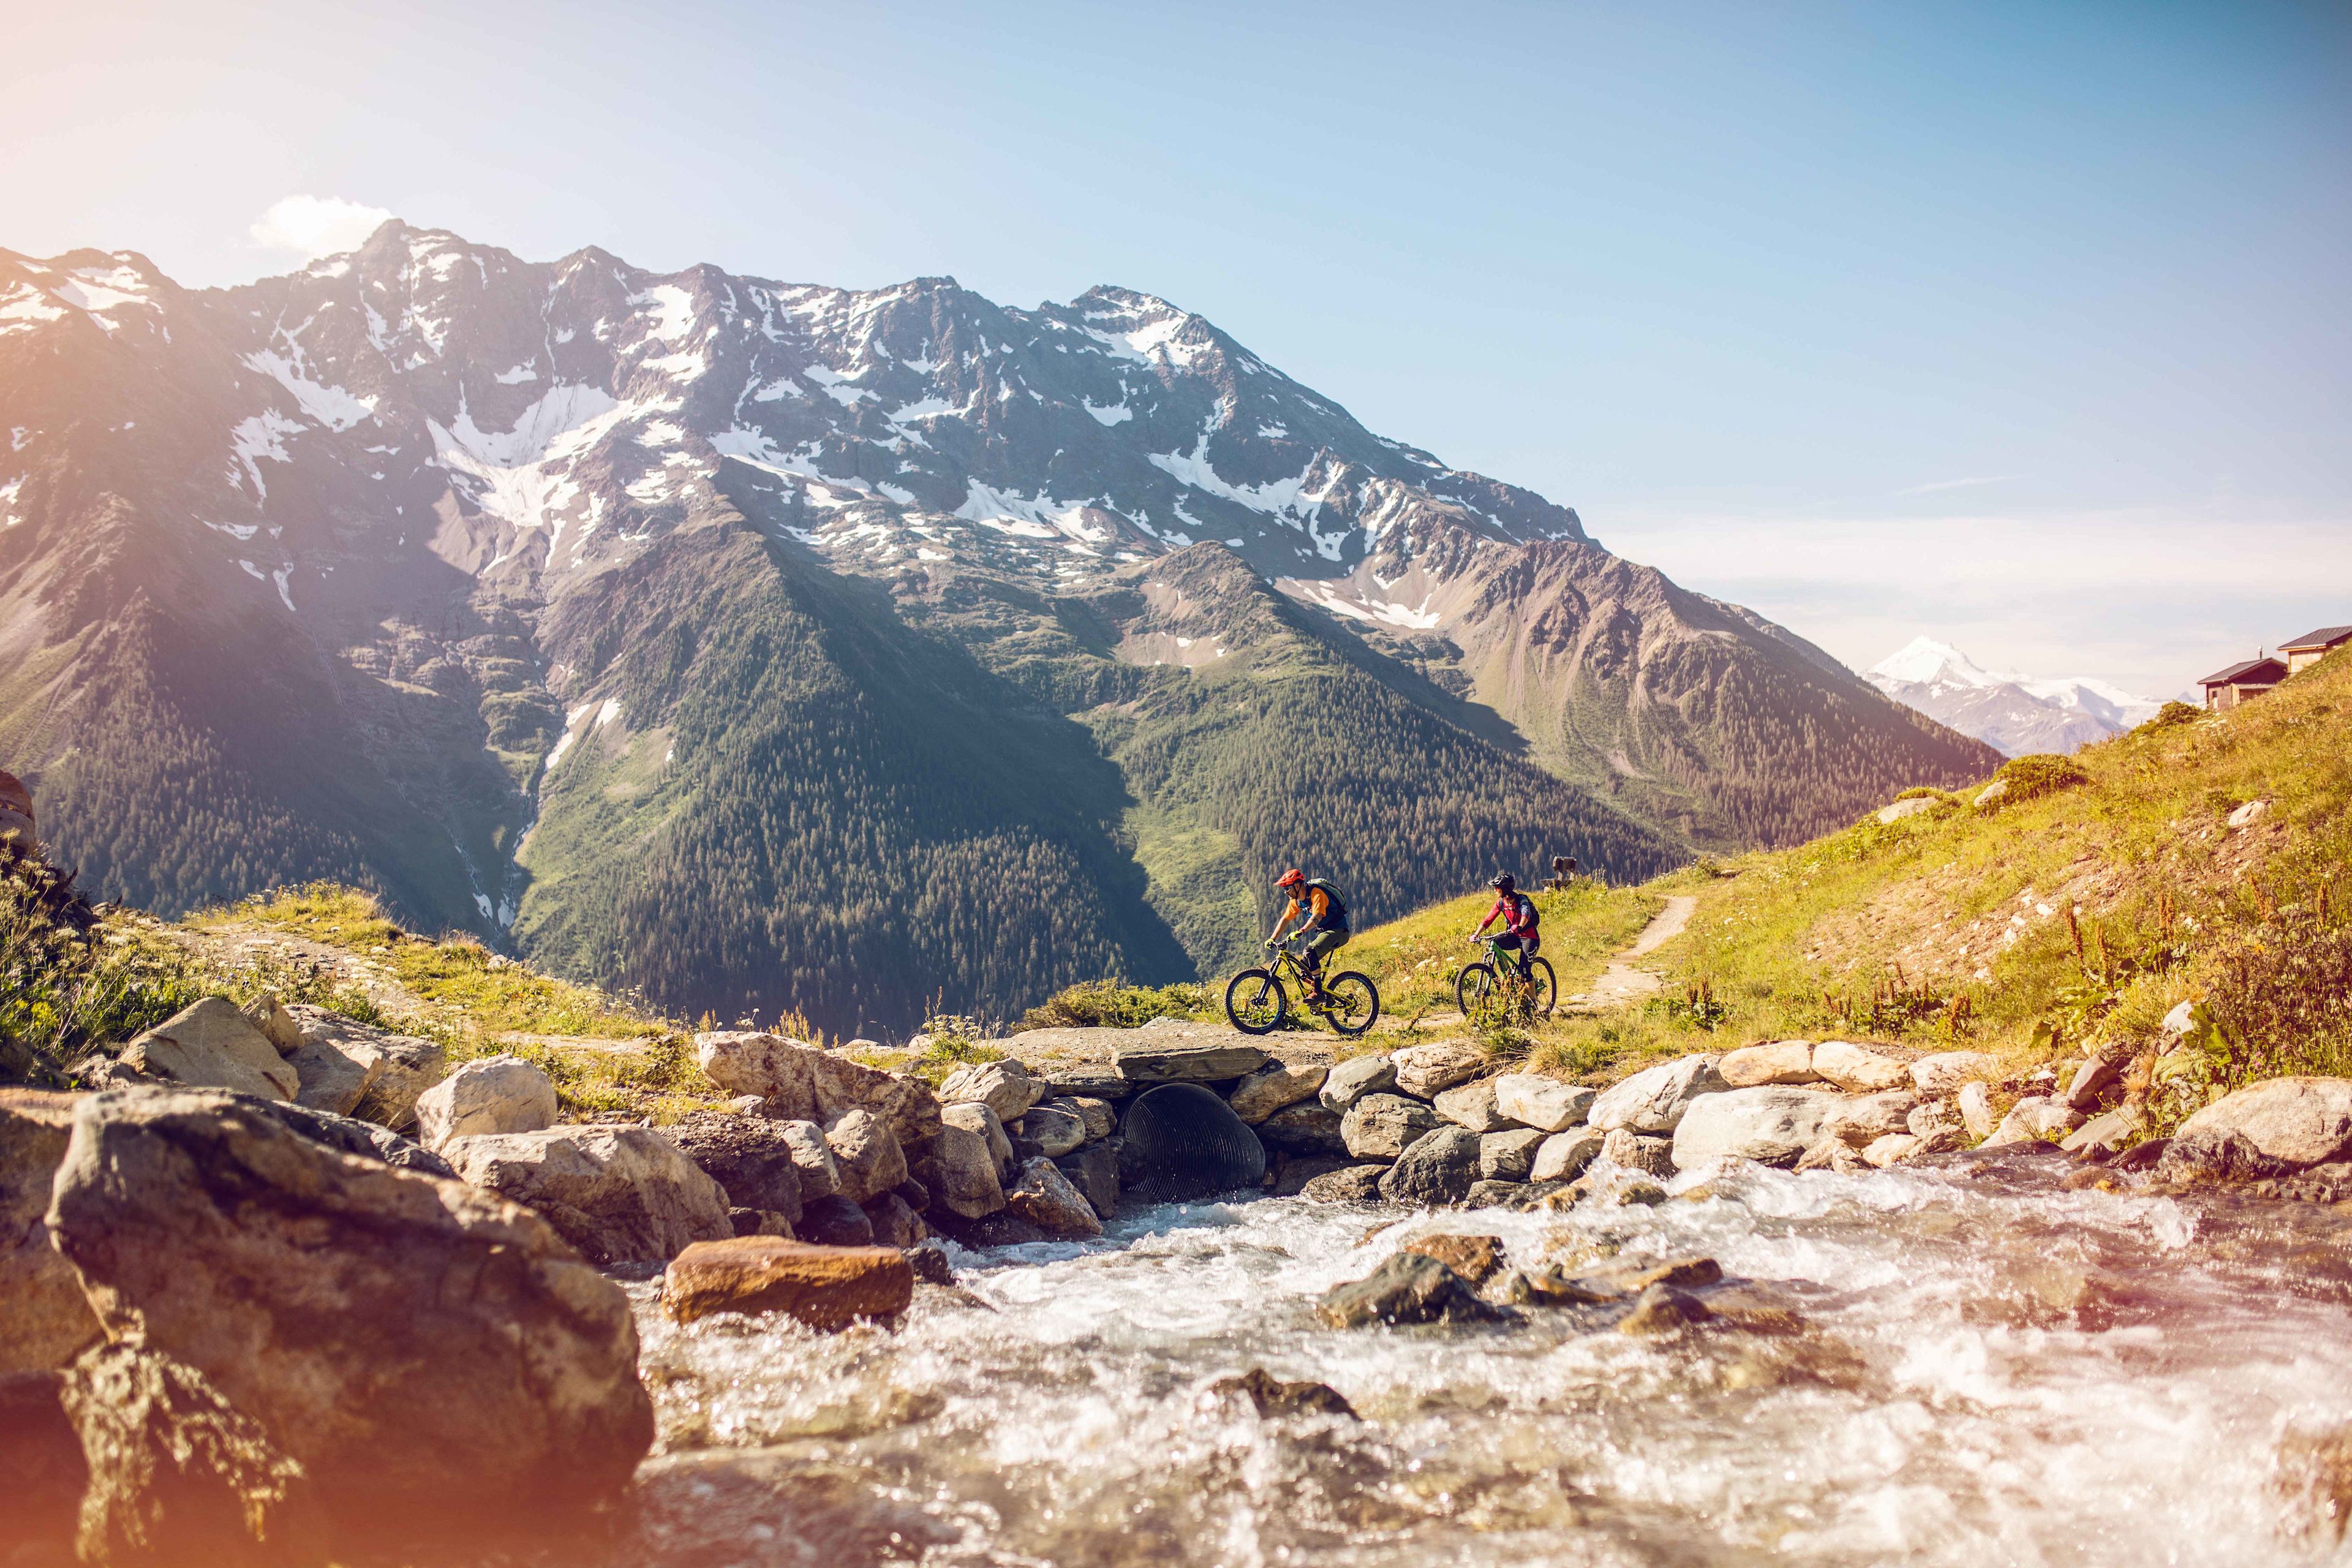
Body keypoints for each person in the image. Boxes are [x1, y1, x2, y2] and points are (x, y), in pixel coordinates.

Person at [1267, 867, 1349, 997]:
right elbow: (1286, 919)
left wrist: (1302, 931)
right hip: (1325, 932)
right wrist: (1273, 938)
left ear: (1297, 886)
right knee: (1304, 966)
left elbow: (1317, 916)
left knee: (1309, 952)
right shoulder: (1296, 901)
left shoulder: (1316, 893)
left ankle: (1318, 993)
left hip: (1339, 931)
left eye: (1287, 888)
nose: (1285, 892)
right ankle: (1324, 998)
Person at [1471, 873, 1542, 979]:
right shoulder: (1501, 903)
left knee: (1524, 971)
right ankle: (1508, 975)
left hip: (1530, 938)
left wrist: (1520, 926)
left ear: (1505, 889)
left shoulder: (1521, 900)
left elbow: (1526, 914)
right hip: (1514, 936)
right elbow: (1488, 920)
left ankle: (1531, 991)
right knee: (1494, 943)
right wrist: (1476, 934)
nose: (1494, 890)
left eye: (1497, 888)